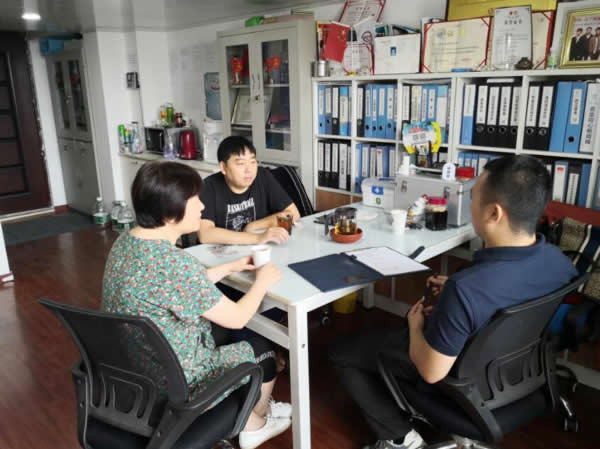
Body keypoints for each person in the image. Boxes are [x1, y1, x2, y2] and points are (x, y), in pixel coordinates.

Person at [329, 155, 578, 449]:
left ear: (494, 213)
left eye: (474, 198)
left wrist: (415, 324)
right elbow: (514, 295)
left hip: (465, 390)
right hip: (519, 374)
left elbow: (431, 372)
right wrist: (459, 293)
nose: (470, 205)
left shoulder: (466, 289)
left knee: (343, 352)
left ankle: (400, 439)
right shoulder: (560, 263)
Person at [102, 161, 292, 449]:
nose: (202, 206)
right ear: (170, 214)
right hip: (180, 382)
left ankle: (248, 418)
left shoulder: (126, 242)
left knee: (224, 333)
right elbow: (238, 317)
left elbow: (172, 289)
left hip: (137, 367)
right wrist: (262, 282)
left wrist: (227, 268)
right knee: (261, 348)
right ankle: (256, 423)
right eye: (194, 200)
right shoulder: (176, 264)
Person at [198, 135, 300, 245]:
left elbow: (293, 214)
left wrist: (253, 226)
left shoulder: (263, 176)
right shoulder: (208, 187)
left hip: (258, 250)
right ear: (223, 167)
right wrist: (257, 238)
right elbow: (205, 234)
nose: (249, 170)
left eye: (252, 161)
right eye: (241, 163)